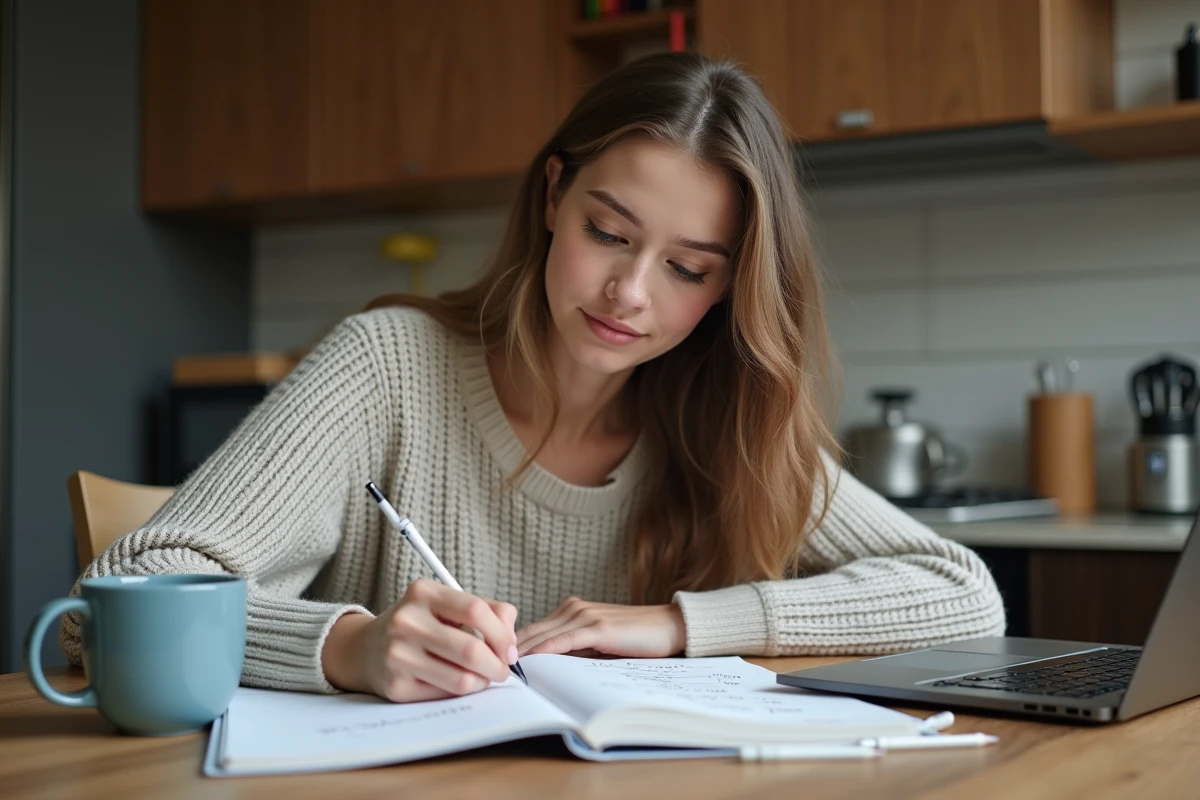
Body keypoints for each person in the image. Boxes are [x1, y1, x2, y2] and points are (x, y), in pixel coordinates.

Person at [62, 53, 1004, 702]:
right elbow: (113, 599)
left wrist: (677, 626)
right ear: (554, 196)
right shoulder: (388, 365)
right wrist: (349, 646)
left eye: (687, 268)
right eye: (608, 231)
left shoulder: (725, 419)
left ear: (729, 289)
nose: (628, 293)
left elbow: (964, 591)